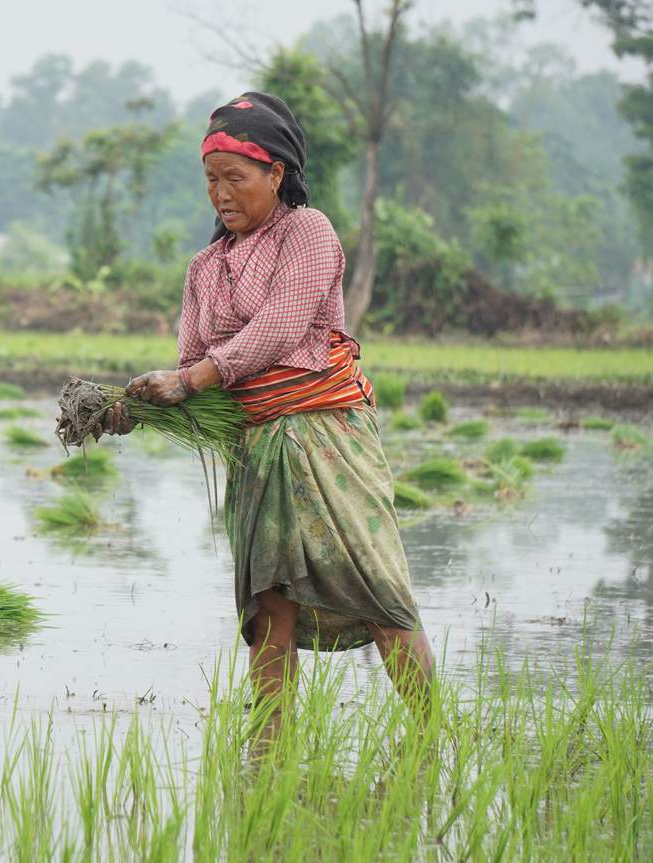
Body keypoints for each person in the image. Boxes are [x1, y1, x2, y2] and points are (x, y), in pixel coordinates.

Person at [106, 93, 434, 742]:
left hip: (325, 435)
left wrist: (192, 378)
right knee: (267, 606)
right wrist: (136, 407)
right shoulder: (204, 268)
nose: (220, 194)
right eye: (209, 180)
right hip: (255, 447)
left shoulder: (306, 232)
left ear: (275, 174)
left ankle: (433, 737)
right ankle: (267, 750)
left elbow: (280, 326)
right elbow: (189, 360)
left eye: (234, 178)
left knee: (378, 590)